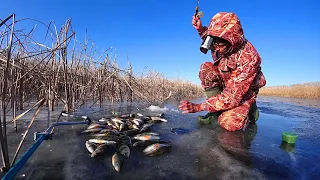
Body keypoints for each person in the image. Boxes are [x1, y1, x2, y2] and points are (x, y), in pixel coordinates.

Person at [178, 12, 266, 132]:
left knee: (229, 123)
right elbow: (209, 36)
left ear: (232, 39)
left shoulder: (249, 57)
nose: (216, 48)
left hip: (242, 92)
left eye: (219, 44)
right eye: (213, 43)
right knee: (206, 69)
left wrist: (199, 107)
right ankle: (216, 110)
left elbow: (232, 96)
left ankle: (252, 110)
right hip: (227, 83)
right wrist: (200, 29)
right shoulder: (217, 42)